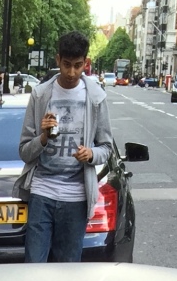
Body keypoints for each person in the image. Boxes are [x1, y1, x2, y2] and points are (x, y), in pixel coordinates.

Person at [17, 29, 112, 264]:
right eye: (66, 64)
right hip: (42, 192)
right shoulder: (40, 95)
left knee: (69, 270)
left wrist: (91, 154)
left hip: (76, 196)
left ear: (86, 63)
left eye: (78, 65)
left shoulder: (96, 98)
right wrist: (42, 139)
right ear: (57, 59)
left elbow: (107, 149)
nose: (71, 72)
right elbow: (23, 151)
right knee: (33, 267)